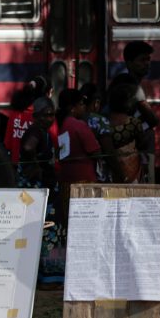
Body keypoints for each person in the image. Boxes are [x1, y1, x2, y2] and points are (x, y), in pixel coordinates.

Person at [16, 97, 62, 283]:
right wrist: (36, 166)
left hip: (41, 189)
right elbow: (28, 148)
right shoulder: (35, 131)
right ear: (36, 116)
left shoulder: (42, 131)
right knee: (49, 228)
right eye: (45, 115)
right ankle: (49, 277)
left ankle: (42, 275)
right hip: (39, 190)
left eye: (52, 115)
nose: (49, 118)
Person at [54, 88, 102, 234]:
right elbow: (95, 151)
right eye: (81, 104)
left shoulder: (62, 124)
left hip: (66, 180)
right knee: (86, 222)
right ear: (72, 108)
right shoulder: (78, 125)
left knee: (70, 222)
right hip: (84, 181)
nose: (84, 107)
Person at [104, 82, 153, 184]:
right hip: (131, 170)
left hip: (110, 168)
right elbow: (142, 144)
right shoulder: (133, 122)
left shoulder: (103, 122)